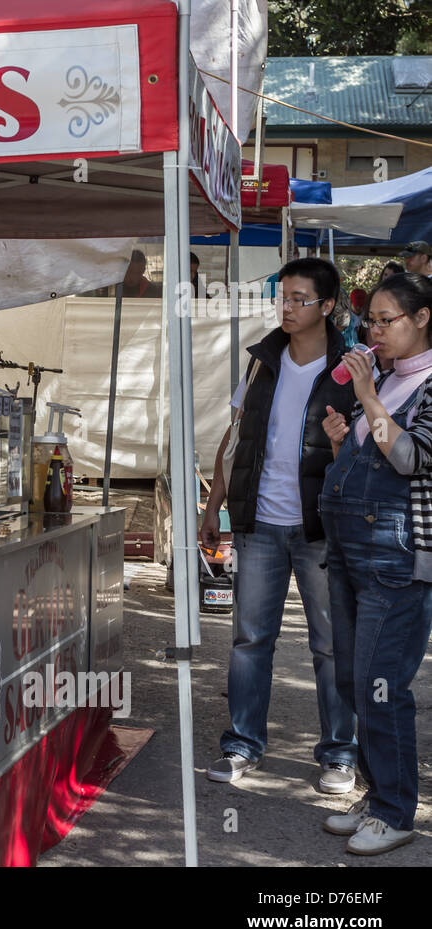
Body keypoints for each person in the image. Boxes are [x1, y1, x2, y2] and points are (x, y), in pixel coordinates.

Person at [201, 256, 358, 792]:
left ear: (328, 306)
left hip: (322, 529)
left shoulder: (352, 368)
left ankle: (339, 754)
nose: (286, 307)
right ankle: (243, 744)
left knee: (333, 645)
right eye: (282, 297)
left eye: (299, 299)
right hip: (259, 523)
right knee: (249, 639)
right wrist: (213, 505)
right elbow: (236, 434)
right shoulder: (261, 361)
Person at [318, 272, 432, 855]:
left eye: (386, 320)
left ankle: (396, 810)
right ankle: (377, 792)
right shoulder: (389, 378)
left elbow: (411, 459)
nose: (375, 331)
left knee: (381, 684)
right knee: (352, 680)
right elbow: (376, 459)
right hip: (351, 548)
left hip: (397, 554)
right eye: (371, 322)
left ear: (422, 319)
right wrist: (345, 442)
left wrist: (365, 398)